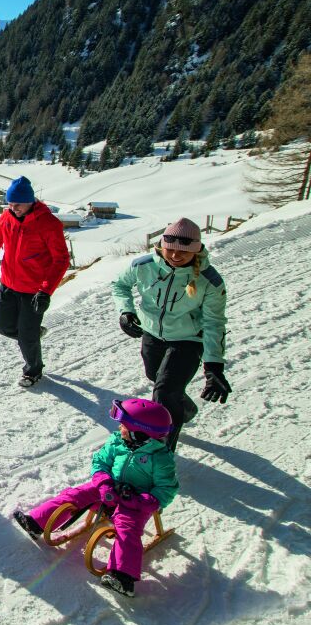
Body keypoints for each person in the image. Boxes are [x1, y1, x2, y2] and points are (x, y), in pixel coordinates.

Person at [12, 397, 179, 598]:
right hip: (107, 487)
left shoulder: (161, 459)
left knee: (128, 528)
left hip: (135, 502)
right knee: (75, 494)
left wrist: (139, 500)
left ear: (140, 434)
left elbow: (166, 489)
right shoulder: (118, 441)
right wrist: (104, 482)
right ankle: (37, 522)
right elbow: (100, 462)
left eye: (124, 426)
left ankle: (122, 576)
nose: (120, 428)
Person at [111, 217, 229, 452]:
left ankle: (160, 453)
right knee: (156, 377)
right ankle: (184, 408)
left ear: (196, 250)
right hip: (152, 334)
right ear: (161, 246)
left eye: (183, 252)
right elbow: (119, 285)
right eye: (170, 249)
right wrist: (125, 311)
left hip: (187, 340)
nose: (175, 255)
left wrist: (214, 365)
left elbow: (214, 323)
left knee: (163, 392)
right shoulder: (143, 265)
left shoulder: (209, 281)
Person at [0, 176, 69, 386]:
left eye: (17, 204)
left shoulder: (49, 224)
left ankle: (33, 370)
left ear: (30, 201)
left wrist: (46, 291)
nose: (13, 207)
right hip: (8, 285)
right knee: (1, 326)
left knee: (26, 337)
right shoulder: (6, 218)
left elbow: (61, 259)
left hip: (34, 290)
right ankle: (33, 335)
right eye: (10, 203)